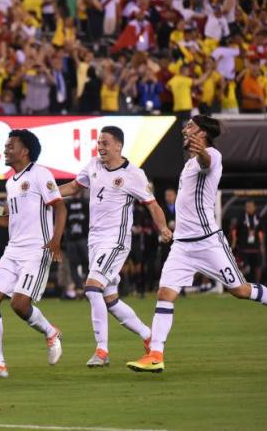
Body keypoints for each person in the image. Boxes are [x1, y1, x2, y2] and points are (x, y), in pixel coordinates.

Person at [127, 116, 267, 373]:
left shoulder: (212, 155)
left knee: (240, 290)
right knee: (165, 294)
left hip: (208, 243)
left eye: (190, 126)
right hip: (182, 245)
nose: (185, 129)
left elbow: (207, 162)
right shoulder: (189, 163)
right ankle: (156, 355)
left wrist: (202, 151)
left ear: (203, 133)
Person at [59, 126, 172, 367]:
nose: (100, 147)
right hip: (95, 241)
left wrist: (163, 227)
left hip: (116, 241)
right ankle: (149, 336)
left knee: (92, 288)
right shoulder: (93, 165)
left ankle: (102, 351)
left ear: (118, 146)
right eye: (99, 143)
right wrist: (48, 194)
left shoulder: (133, 174)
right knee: (110, 300)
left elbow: (152, 204)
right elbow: (74, 187)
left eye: (105, 143)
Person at [0, 129, 67, 379]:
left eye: (10, 146)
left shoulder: (40, 174)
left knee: (19, 304)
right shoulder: (11, 182)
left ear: (24, 151)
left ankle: (50, 332)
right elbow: (12, 220)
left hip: (37, 250)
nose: (5, 150)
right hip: (13, 250)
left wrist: (55, 240)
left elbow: (60, 207)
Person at [64, 190, 89, 298]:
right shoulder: (67, 204)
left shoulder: (85, 203)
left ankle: (88, 287)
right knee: (73, 264)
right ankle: (79, 288)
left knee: (87, 263)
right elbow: (64, 221)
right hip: (72, 240)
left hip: (83, 238)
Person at [232, 200, 264, 283]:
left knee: (257, 267)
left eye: (250, 207)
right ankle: (241, 284)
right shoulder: (241, 218)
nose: (248, 208)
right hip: (244, 249)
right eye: (247, 207)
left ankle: (257, 284)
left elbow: (261, 232)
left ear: (254, 208)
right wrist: (234, 243)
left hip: (255, 248)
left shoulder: (258, 218)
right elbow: (235, 230)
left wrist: (261, 245)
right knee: (245, 268)